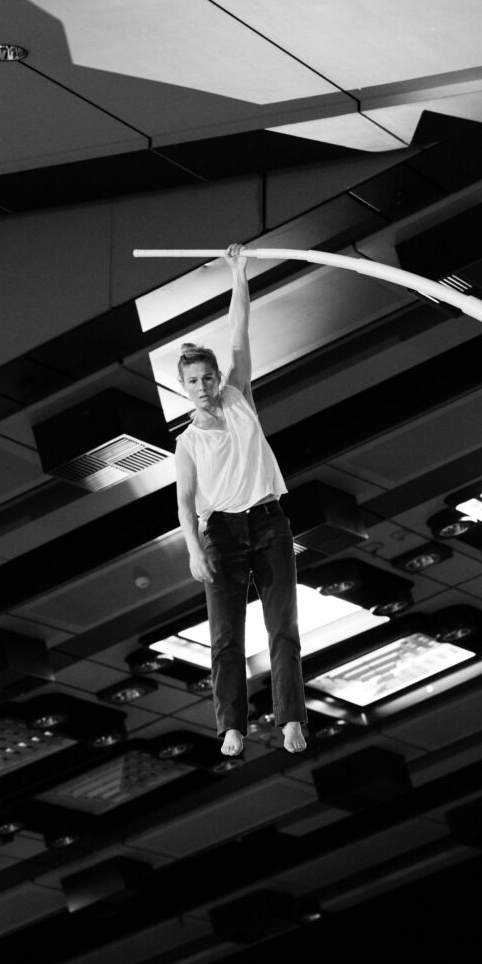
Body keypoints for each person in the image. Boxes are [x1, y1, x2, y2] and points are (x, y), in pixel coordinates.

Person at [174, 244, 308, 757]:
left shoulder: (239, 399)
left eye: (208, 377)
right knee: (226, 638)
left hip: (270, 522)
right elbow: (185, 505)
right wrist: (193, 549)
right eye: (194, 381)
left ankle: (290, 717)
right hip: (222, 536)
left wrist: (239, 273)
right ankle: (232, 725)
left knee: (284, 629)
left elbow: (238, 329)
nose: (204, 386)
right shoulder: (186, 443)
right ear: (183, 387)